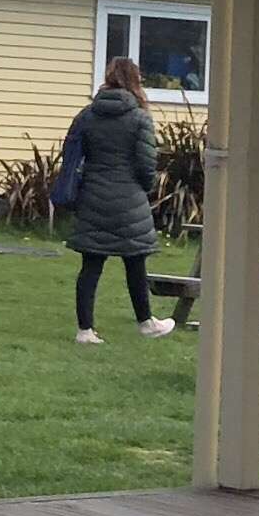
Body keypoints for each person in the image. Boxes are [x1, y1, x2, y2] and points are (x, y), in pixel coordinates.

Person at [64, 55, 170, 343]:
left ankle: (85, 330)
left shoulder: (87, 115)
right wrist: (144, 188)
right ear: (135, 80)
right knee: (135, 261)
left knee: (91, 266)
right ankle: (146, 322)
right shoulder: (139, 117)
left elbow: (72, 153)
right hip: (129, 199)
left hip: (93, 196)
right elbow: (147, 164)